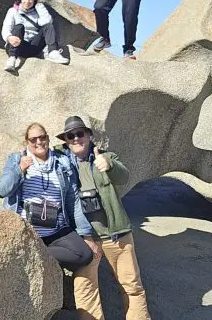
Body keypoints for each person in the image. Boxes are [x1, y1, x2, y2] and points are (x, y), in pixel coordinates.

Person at [55, 116, 151, 320]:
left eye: (80, 133)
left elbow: (123, 176)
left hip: (115, 233)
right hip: (85, 239)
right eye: (70, 136)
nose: (76, 139)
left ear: (89, 135)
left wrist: (108, 164)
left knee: (132, 287)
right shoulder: (62, 163)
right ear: (66, 140)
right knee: (85, 292)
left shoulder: (105, 156)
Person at [0, 123, 96, 273]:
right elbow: (4, 189)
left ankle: (36, 254)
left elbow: (73, 200)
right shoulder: (17, 159)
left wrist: (86, 234)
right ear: (27, 142)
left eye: (42, 137)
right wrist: (20, 169)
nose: (39, 142)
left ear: (48, 139)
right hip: (29, 230)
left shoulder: (62, 162)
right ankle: (38, 254)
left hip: (57, 229)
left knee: (85, 255)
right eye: (33, 139)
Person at [1, 0, 69, 72]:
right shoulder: (13, 11)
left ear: (34, 0)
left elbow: (47, 23)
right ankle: (12, 58)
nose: (27, 1)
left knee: (48, 26)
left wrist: (40, 7)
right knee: (19, 27)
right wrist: (9, 38)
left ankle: (53, 52)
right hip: (16, 45)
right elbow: (6, 28)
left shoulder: (37, 12)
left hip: (33, 47)